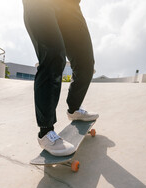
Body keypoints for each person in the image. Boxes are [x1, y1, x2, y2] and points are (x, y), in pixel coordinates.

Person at [23, 0, 99, 156]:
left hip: (70, 6)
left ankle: (74, 109)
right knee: (53, 57)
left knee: (86, 63)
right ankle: (46, 133)